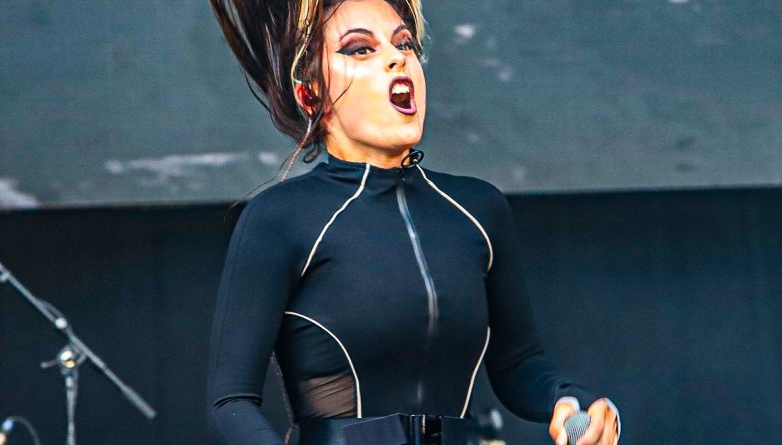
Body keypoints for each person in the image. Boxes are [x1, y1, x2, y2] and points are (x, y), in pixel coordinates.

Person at [205, 1, 621, 444]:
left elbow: (519, 364)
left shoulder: (478, 208)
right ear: (311, 95)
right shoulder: (279, 218)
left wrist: (571, 401)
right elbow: (231, 401)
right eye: (360, 49)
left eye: (404, 44)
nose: (396, 57)